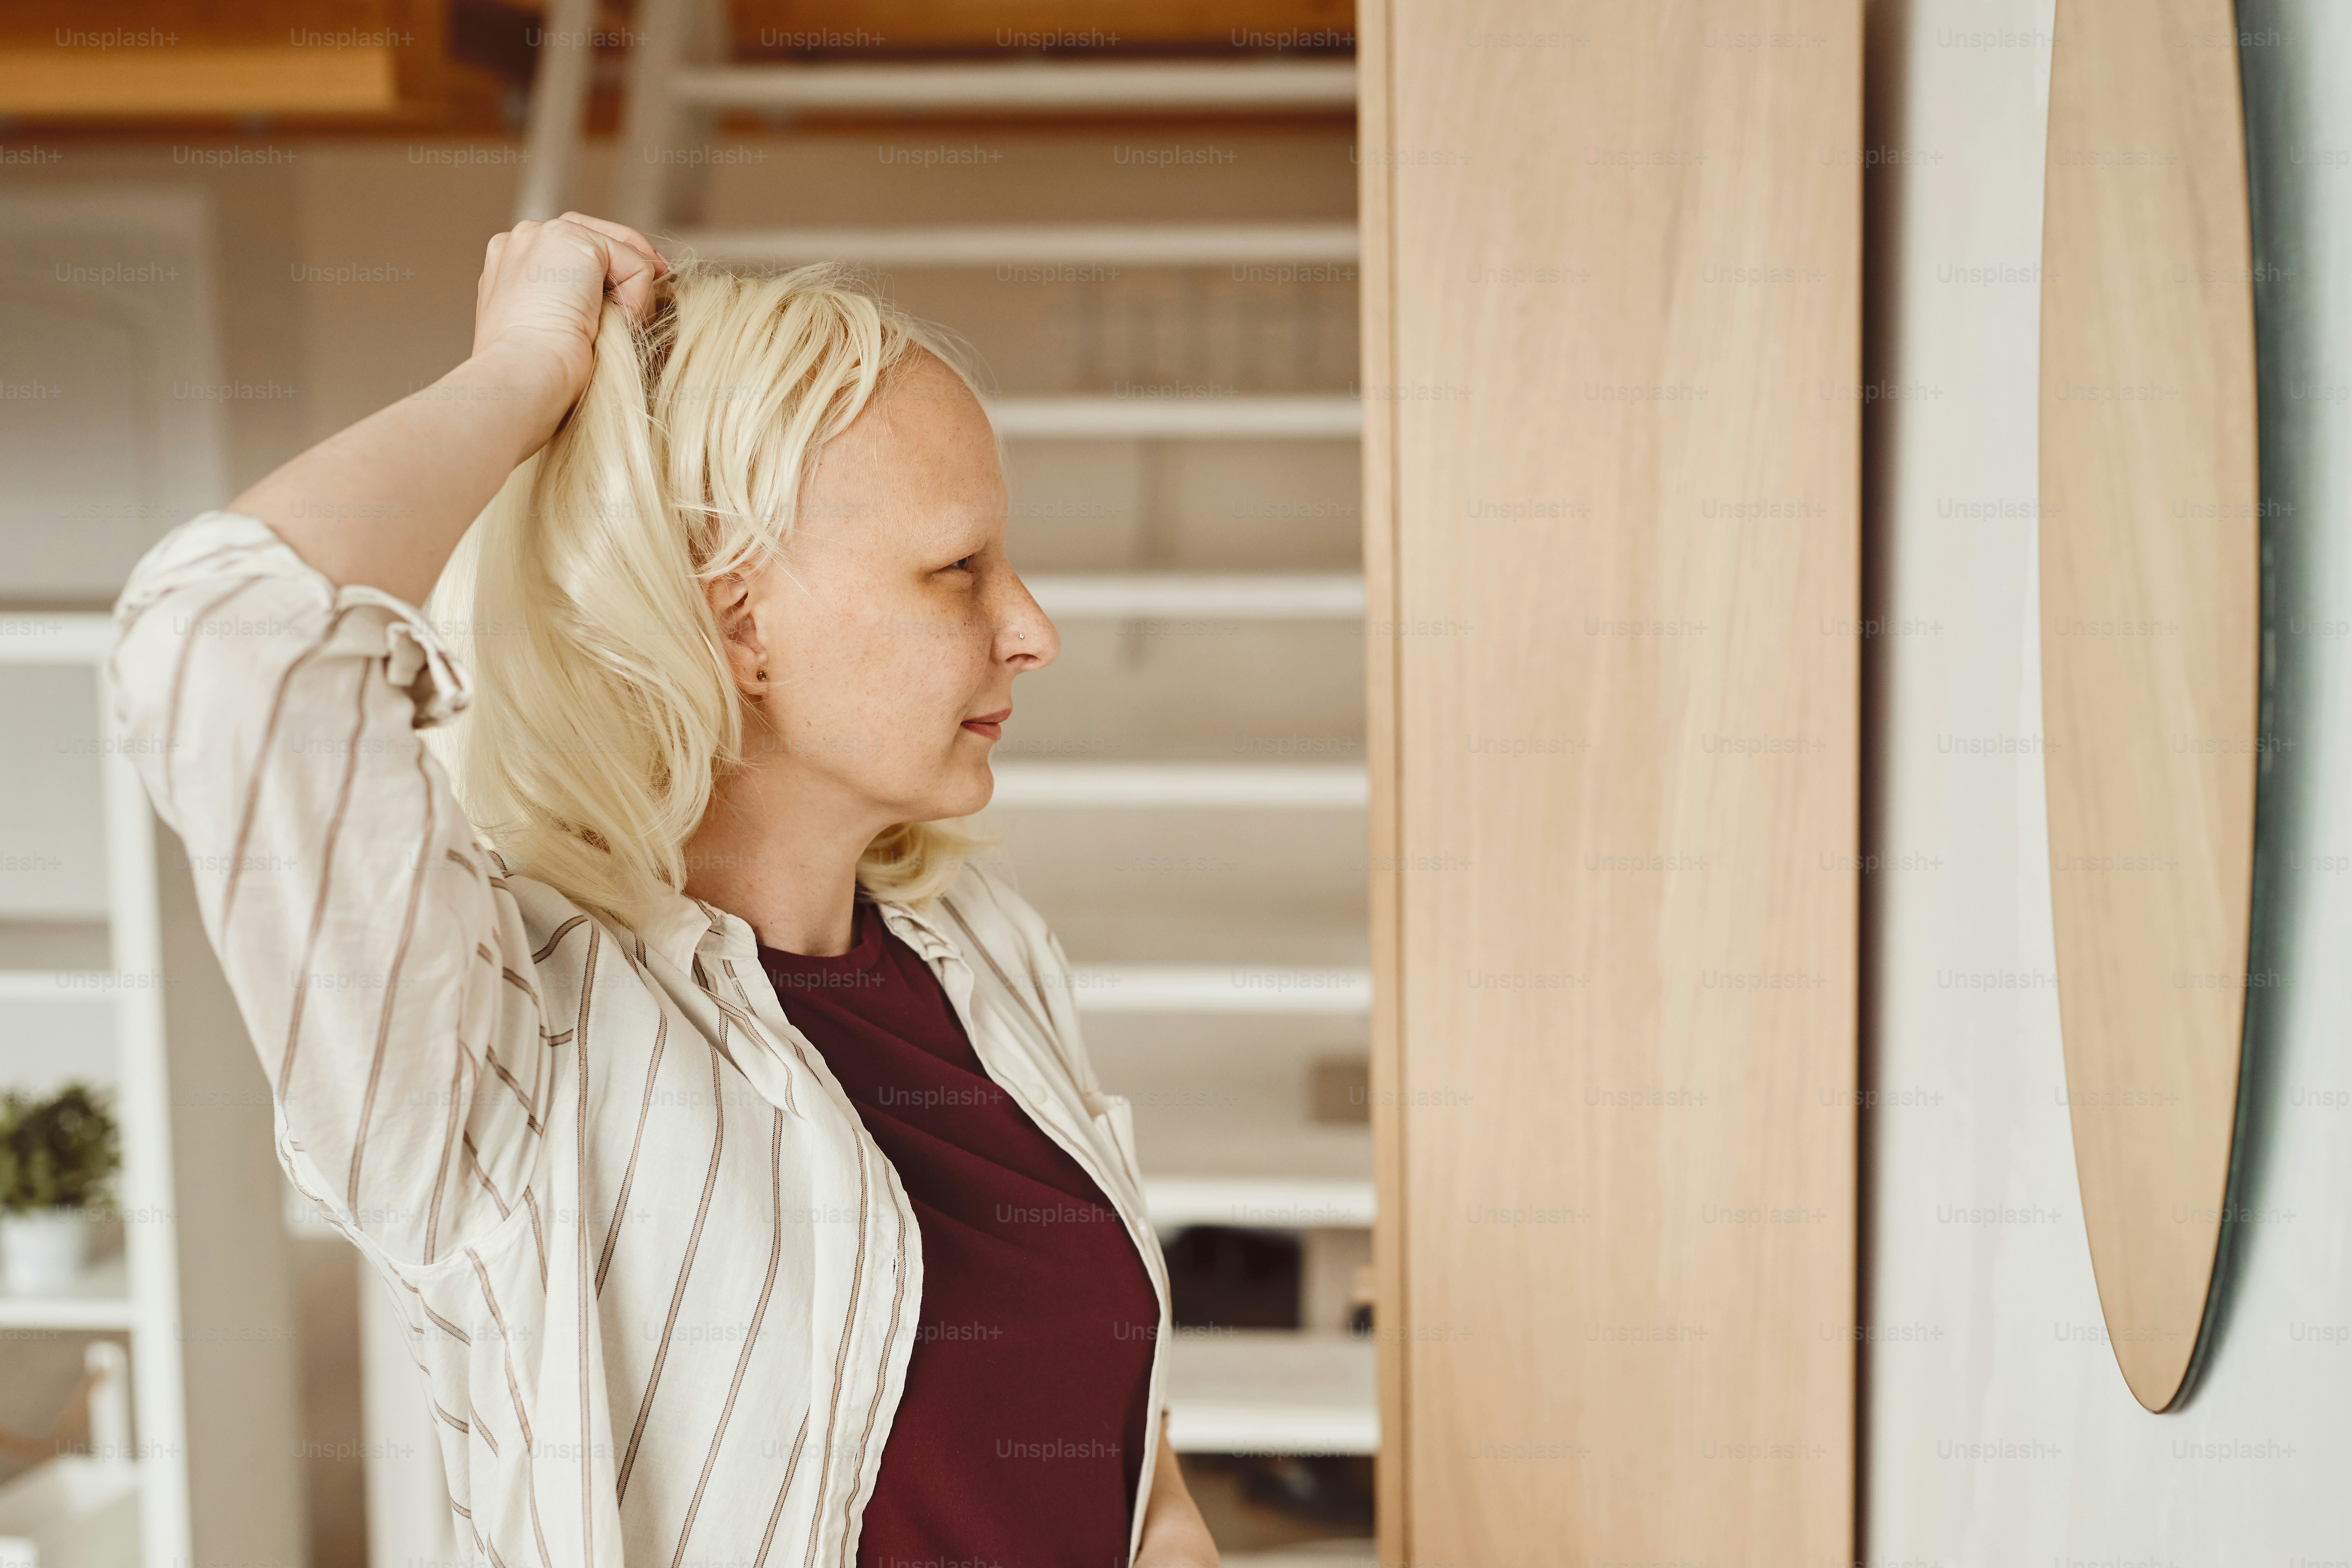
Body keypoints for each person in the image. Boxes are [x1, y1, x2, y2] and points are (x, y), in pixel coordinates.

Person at [108, 213, 1219, 1567]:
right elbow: (231, 646)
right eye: (958, 572)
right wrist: (521, 370)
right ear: (740, 622)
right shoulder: (504, 1036)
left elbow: (1128, 1460)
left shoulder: (986, 951)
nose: (1031, 629)